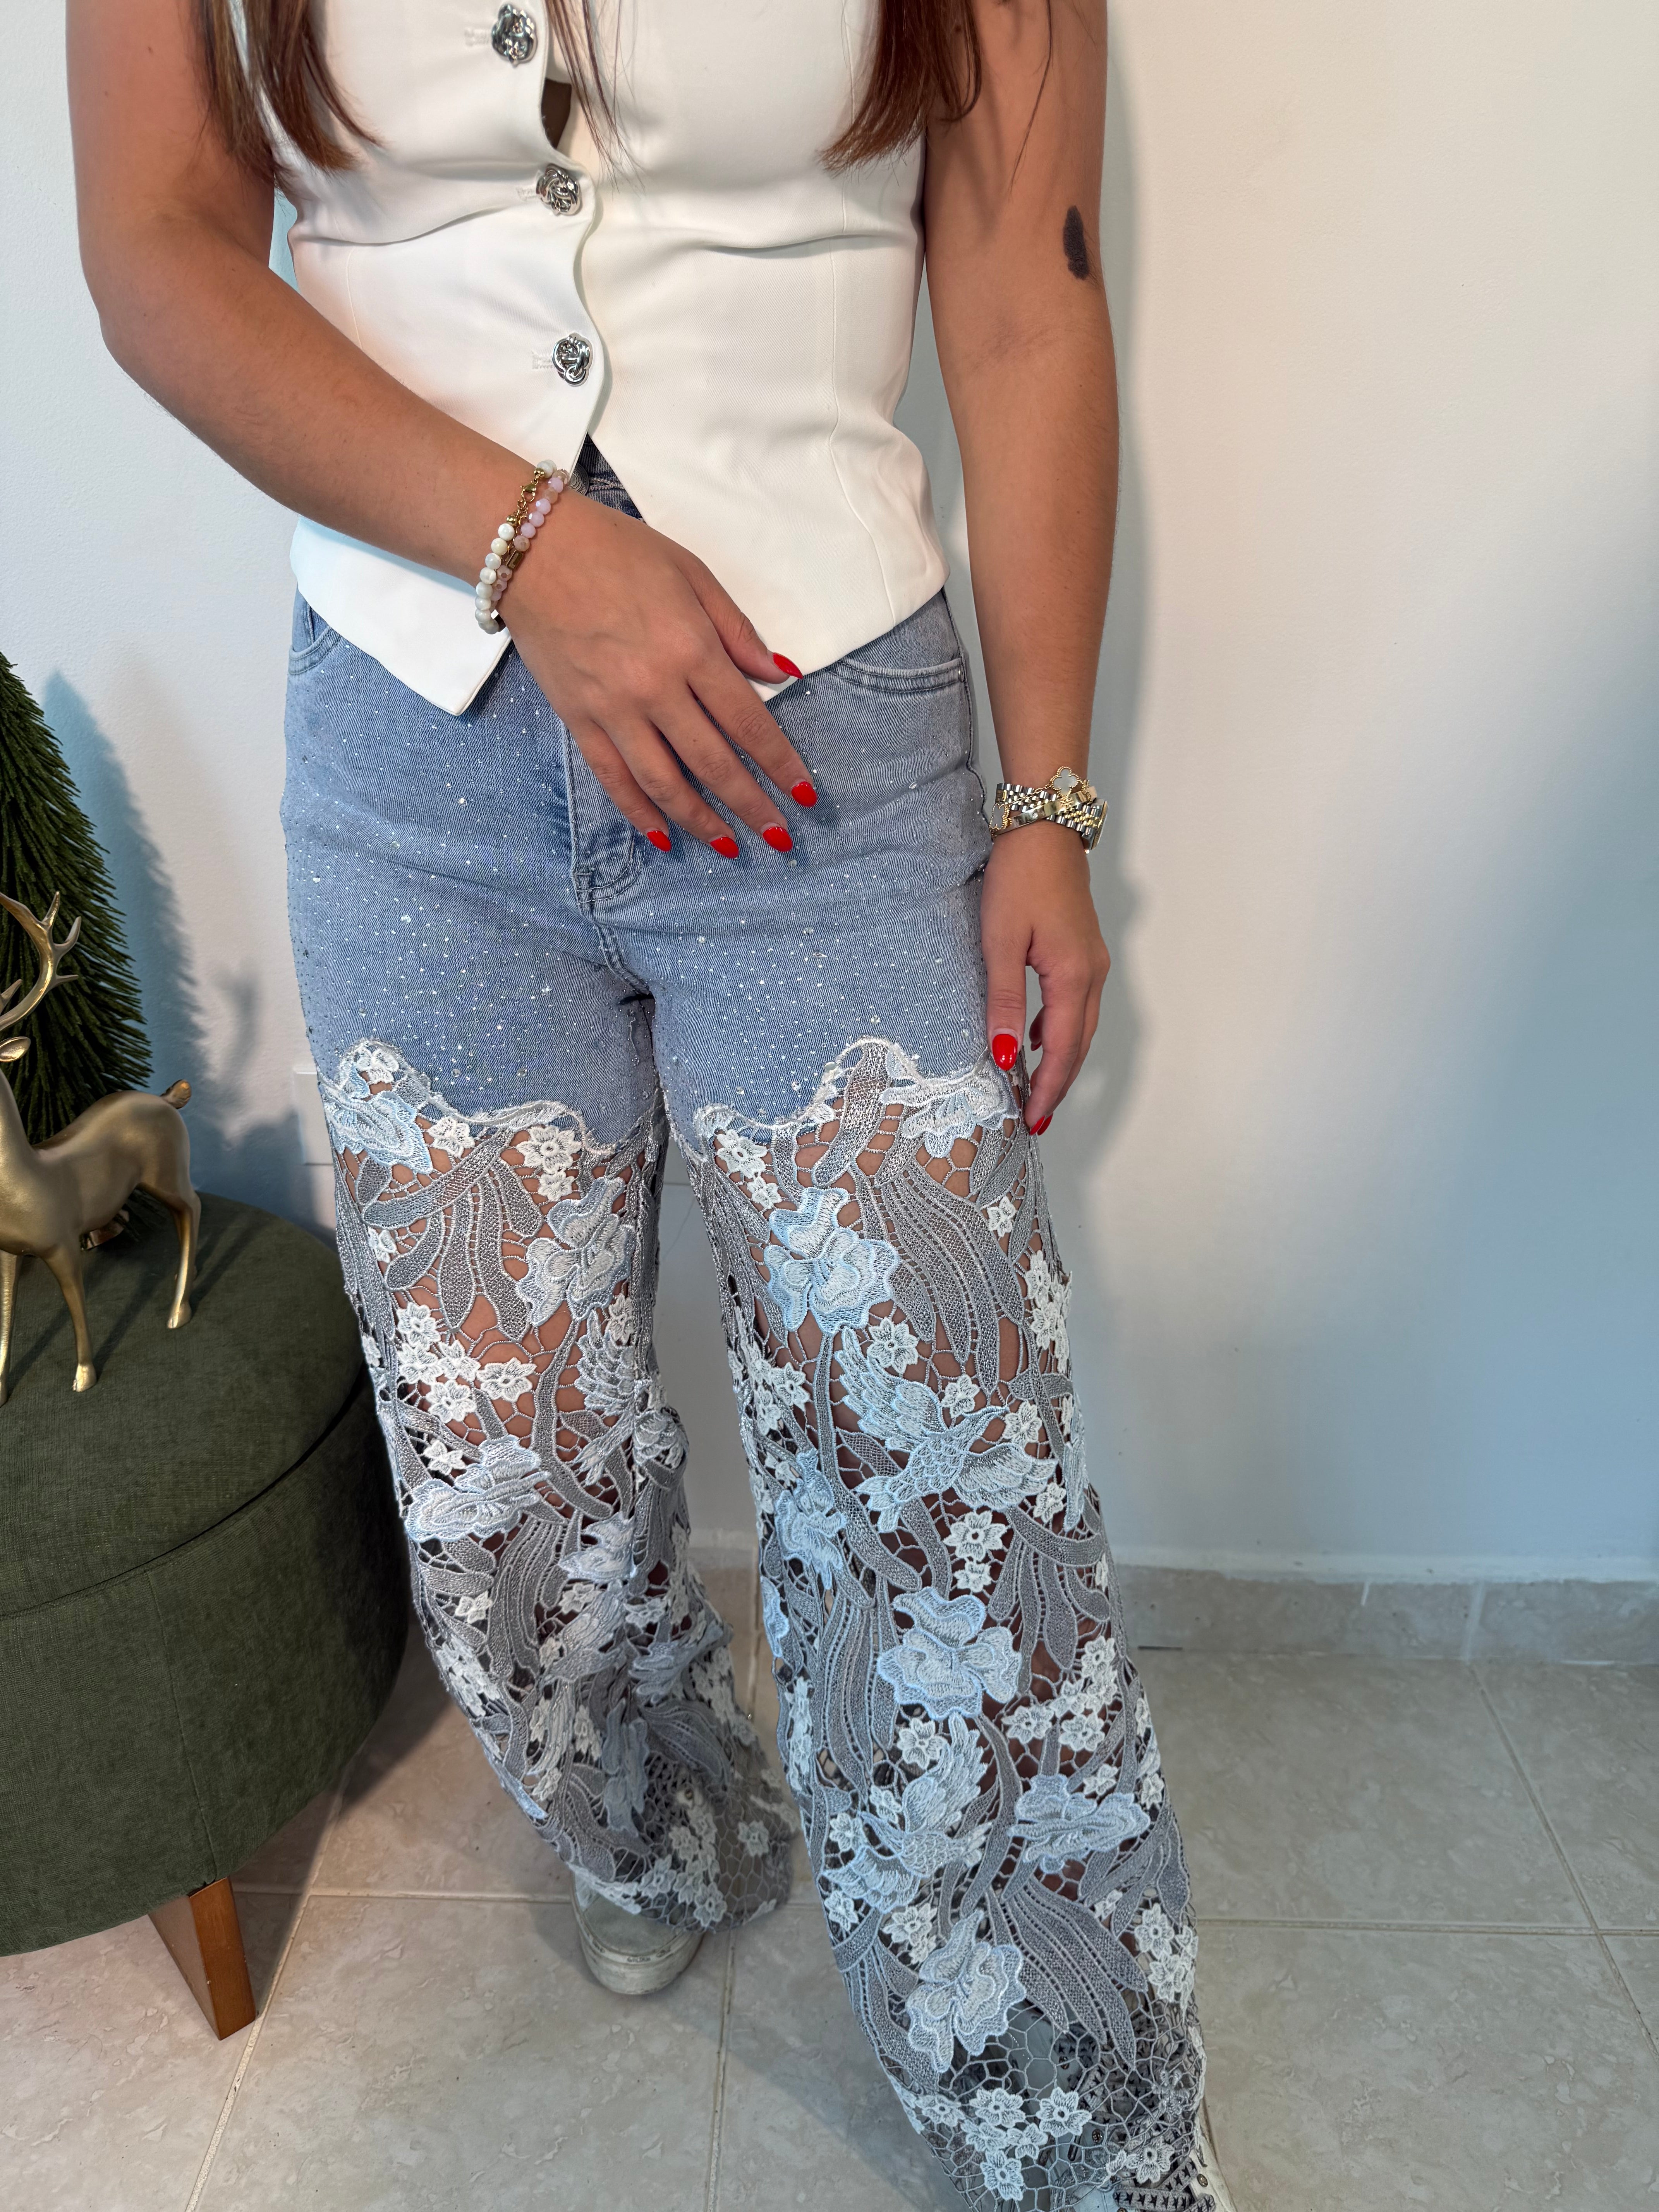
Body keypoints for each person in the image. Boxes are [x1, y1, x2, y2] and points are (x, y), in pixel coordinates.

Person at [69, 2, 1232, 2204]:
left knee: (941, 1468)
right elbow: (157, 246)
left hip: (827, 733)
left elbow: (1020, 292)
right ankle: (664, 1815)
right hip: (414, 746)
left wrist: (1050, 803)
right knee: (501, 1457)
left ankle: (1080, 2135)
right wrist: (534, 551)